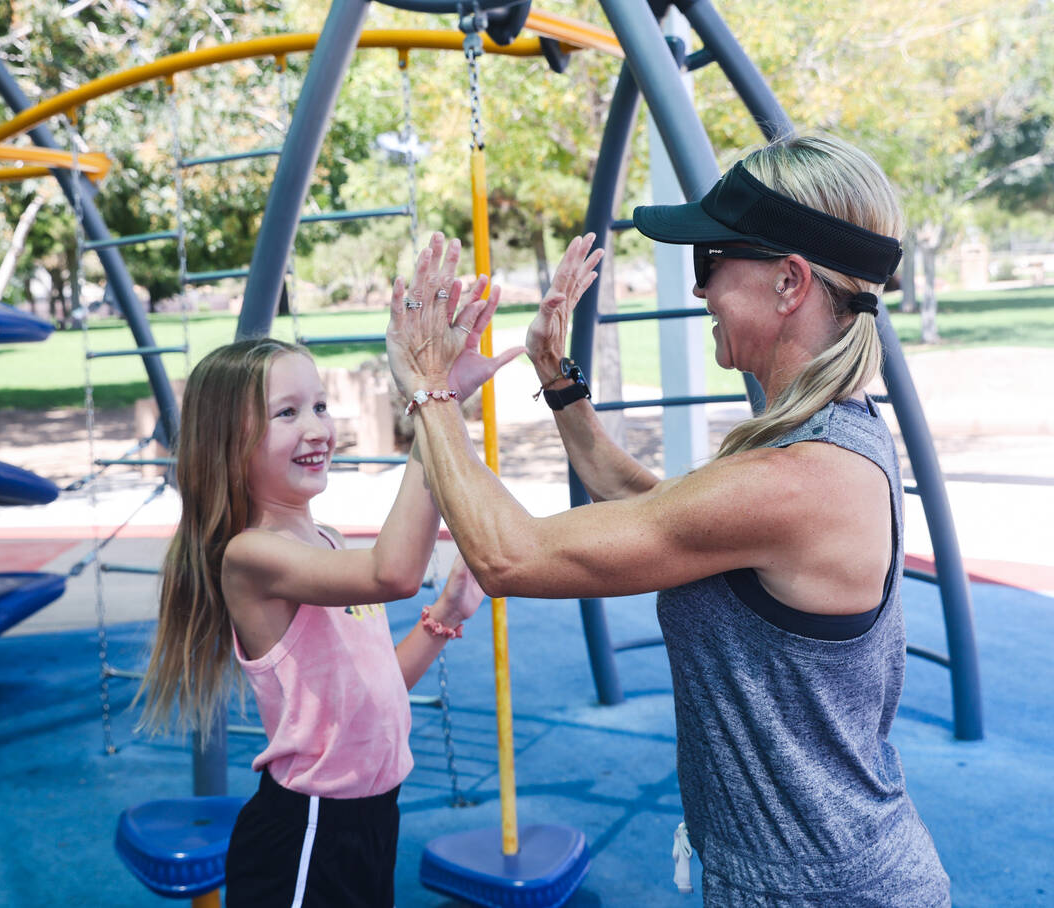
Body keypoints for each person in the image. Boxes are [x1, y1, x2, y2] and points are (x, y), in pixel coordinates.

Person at [385, 134, 950, 905]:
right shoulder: (819, 437)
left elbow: (508, 557)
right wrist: (561, 385)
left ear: (790, 282)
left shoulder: (798, 479)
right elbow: (659, 510)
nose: (699, 290)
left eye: (709, 261)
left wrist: (429, 389)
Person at [138, 248, 519, 908]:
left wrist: (446, 616)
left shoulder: (323, 543)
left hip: (370, 822)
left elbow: (373, 689)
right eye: (287, 414)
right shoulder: (252, 557)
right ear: (229, 442)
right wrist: (435, 402)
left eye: (318, 405)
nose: (316, 427)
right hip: (307, 832)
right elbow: (395, 572)